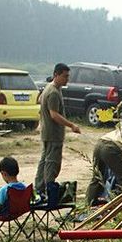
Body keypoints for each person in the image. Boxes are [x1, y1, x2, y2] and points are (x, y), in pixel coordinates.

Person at [35, 63, 80, 201]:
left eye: (68, 76)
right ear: (56, 75)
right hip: (53, 134)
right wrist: (71, 125)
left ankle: (39, 189)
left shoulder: (50, 88)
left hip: (47, 133)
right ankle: (49, 192)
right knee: (52, 163)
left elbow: (39, 100)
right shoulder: (53, 92)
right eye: (65, 76)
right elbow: (54, 115)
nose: (67, 79)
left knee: (44, 161)